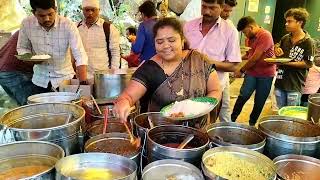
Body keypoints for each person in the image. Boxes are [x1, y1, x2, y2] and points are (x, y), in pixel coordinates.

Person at [113, 17, 221, 121]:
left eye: (172, 40)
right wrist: (123, 102)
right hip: (161, 134)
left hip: (198, 132)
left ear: (182, 40)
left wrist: (201, 109)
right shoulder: (149, 69)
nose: (166, 46)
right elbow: (128, 96)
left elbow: (215, 90)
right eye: (160, 42)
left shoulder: (199, 60)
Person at [183, 0, 241, 122]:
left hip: (213, 90)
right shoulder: (188, 26)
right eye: (204, 7)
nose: (207, 11)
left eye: (212, 8)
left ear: (221, 7)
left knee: (208, 124)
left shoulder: (230, 31)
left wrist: (207, 62)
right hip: (187, 86)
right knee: (185, 120)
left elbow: (234, 66)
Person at [17, 0, 88, 94]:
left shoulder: (67, 25)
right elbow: (22, 47)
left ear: (55, 9)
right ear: (34, 13)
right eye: (41, 16)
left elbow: (79, 54)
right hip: (39, 80)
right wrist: (30, 58)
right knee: (42, 108)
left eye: (50, 14)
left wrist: (83, 82)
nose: (47, 19)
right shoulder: (26, 24)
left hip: (64, 79)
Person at [231, 16, 276, 126]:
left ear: (251, 27)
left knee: (259, 101)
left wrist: (241, 70)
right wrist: (236, 59)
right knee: (243, 95)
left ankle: (252, 123)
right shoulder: (249, 39)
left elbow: (255, 58)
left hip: (266, 74)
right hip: (252, 73)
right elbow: (249, 54)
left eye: (245, 32)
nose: (245, 35)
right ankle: (232, 119)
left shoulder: (265, 35)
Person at [273, 8, 314, 108]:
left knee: (291, 116)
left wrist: (287, 63)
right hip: (280, 82)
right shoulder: (285, 38)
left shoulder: (308, 42)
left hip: (295, 85)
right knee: (280, 113)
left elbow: (309, 63)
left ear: (300, 22)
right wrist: (277, 51)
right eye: (286, 21)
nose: (286, 24)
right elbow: (278, 56)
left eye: (289, 21)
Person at [78, 0, 120, 80]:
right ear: (82, 10)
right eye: (87, 10)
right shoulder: (76, 28)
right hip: (81, 77)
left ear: (99, 10)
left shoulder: (109, 28)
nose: (90, 13)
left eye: (93, 10)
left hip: (103, 78)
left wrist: (113, 75)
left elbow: (115, 53)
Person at [0, 31, 34, 105]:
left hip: (5, 70)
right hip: (14, 70)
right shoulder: (33, 29)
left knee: (24, 106)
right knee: (32, 105)